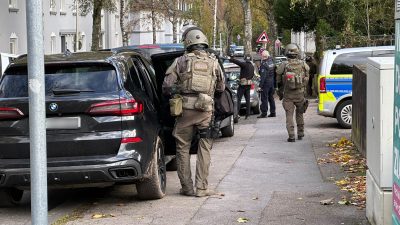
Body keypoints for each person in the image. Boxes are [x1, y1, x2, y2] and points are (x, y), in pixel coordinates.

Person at [162, 27, 225, 197]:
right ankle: (202, 188)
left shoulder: (180, 61)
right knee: (205, 148)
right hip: (206, 110)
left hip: (185, 111)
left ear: (188, 43)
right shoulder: (214, 61)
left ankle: (187, 188)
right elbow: (221, 87)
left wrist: (179, 90)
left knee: (182, 147)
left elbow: (167, 86)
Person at [276, 44, 310, 142]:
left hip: (288, 94)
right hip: (300, 93)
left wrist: (279, 90)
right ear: (297, 52)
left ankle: (291, 136)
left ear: (286, 52)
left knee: (289, 115)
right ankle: (300, 133)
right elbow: (307, 76)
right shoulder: (303, 64)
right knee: (300, 114)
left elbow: (278, 79)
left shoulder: (284, 64)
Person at [229, 54, 255, 119]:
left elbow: (238, 62)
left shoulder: (244, 64)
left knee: (238, 99)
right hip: (249, 84)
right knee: (248, 100)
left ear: (245, 58)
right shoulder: (252, 66)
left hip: (242, 85)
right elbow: (252, 75)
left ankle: (236, 114)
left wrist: (232, 59)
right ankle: (248, 115)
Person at [257, 50, 276, 118]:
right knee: (271, 98)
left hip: (266, 84)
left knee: (264, 98)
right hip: (271, 82)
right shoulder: (271, 62)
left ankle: (264, 113)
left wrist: (260, 86)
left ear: (263, 56)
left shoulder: (264, 64)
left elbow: (263, 76)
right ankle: (273, 112)